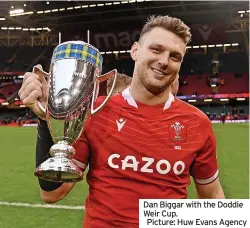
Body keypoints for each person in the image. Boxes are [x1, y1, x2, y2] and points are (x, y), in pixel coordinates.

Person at [18, 15, 225, 228]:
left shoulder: (197, 123)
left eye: (175, 56)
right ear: (135, 50)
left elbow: (213, 195)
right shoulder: (95, 111)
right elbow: (52, 193)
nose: (164, 61)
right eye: (156, 49)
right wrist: (45, 118)